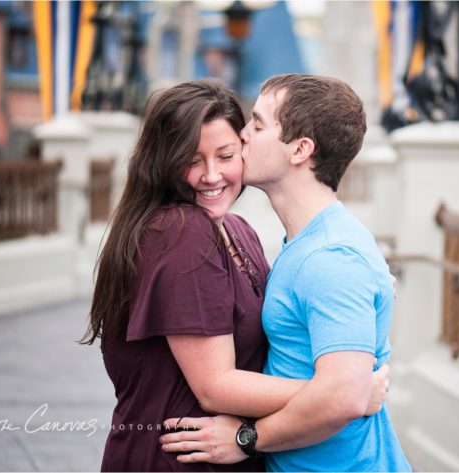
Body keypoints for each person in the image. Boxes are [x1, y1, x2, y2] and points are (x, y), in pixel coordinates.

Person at [81, 79, 388, 472]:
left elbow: (302, 309)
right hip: (178, 459)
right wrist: (347, 393)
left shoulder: (238, 230)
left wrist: (363, 288)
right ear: (163, 163)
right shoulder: (181, 231)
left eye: (227, 154)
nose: (211, 175)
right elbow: (215, 386)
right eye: (192, 160)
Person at [159, 74, 411, 472]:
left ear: (300, 149)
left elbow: (343, 397)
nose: (243, 134)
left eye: (258, 124)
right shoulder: (313, 245)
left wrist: (247, 439)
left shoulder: (332, 257)